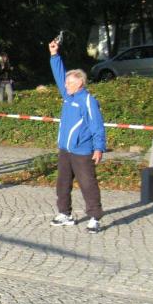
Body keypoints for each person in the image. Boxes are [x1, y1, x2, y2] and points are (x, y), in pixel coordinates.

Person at [48, 39, 106, 233]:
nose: (65, 85)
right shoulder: (68, 97)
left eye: (69, 82)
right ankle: (65, 214)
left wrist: (99, 148)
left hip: (82, 151)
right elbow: (59, 76)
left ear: (79, 83)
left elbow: (97, 125)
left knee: (88, 185)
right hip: (65, 150)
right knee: (62, 184)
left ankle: (95, 218)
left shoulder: (88, 101)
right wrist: (54, 55)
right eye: (66, 83)